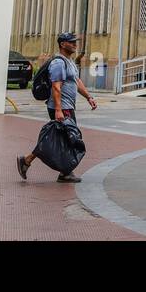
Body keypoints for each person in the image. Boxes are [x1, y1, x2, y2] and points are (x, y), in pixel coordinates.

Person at [17, 32, 98, 183]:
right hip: (61, 107)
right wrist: (59, 110)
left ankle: (61, 171)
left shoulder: (69, 62)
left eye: (75, 42)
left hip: (67, 107)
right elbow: (56, 87)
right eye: (71, 42)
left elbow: (76, 81)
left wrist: (89, 97)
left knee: (62, 138)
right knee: (66, 138)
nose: (75, 44)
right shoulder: (58, 63)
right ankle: (31, 161)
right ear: (62, 44)